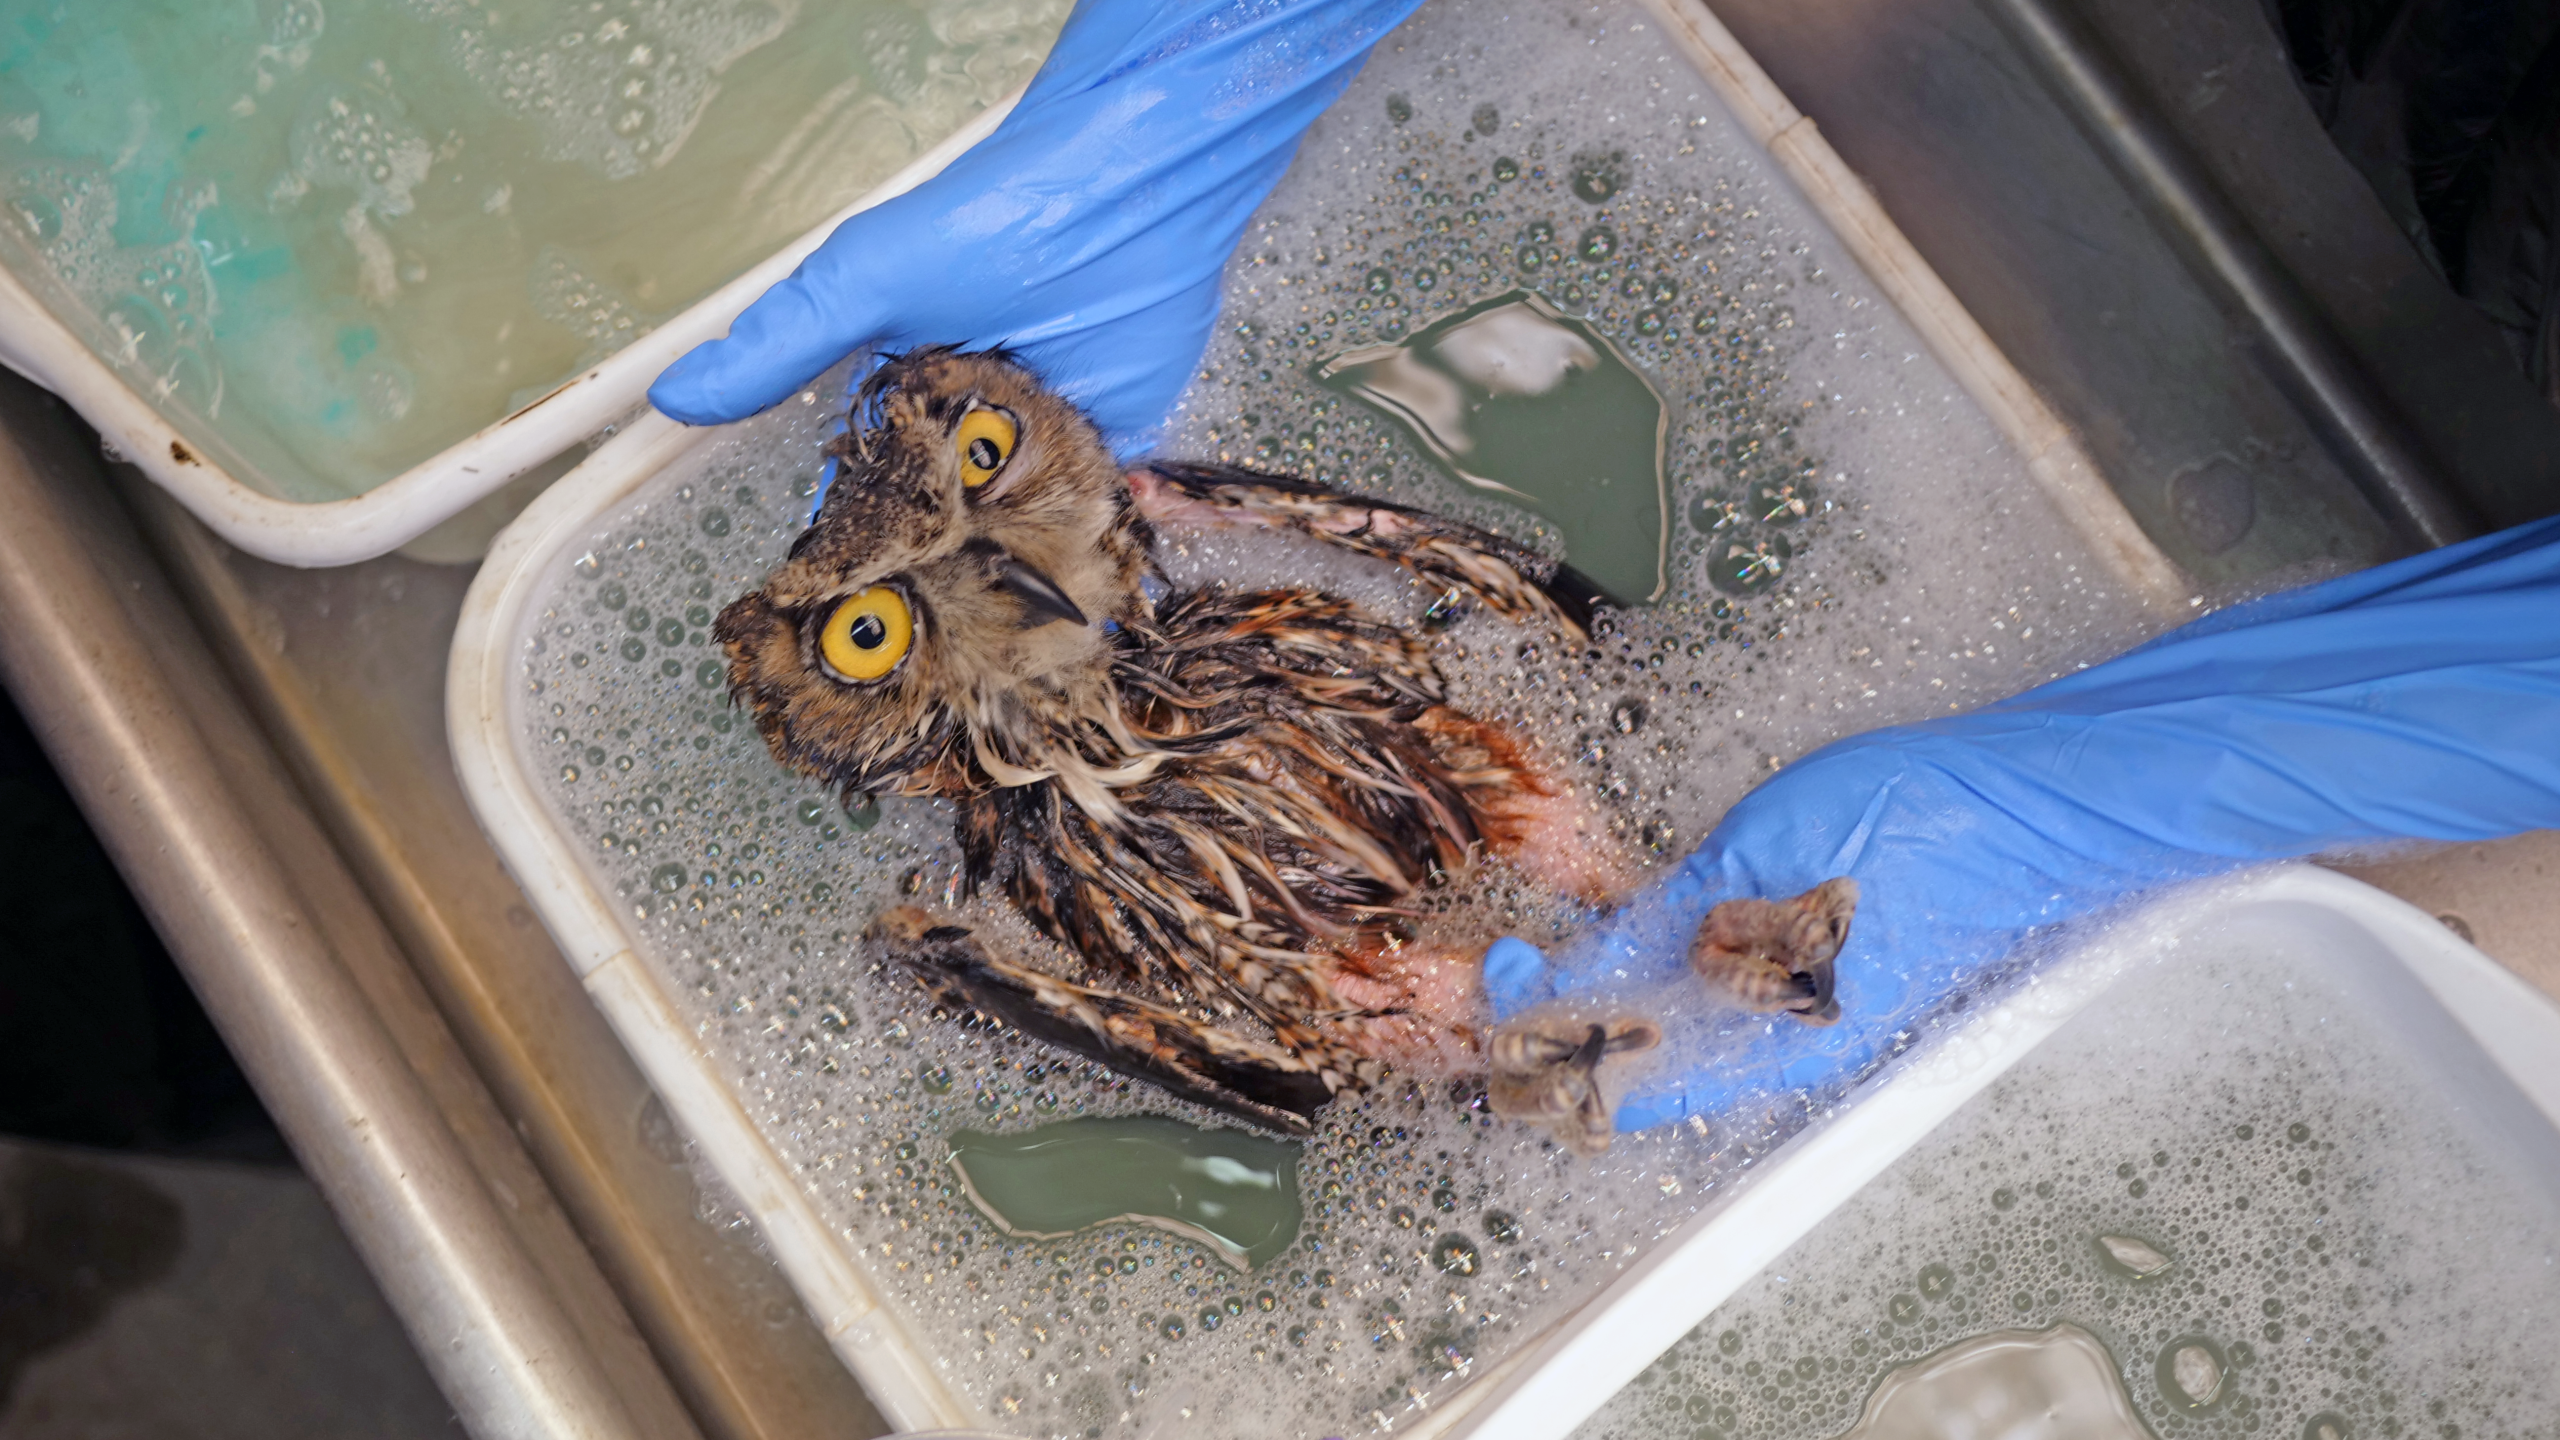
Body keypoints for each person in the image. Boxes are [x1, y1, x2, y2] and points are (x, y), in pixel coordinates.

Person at [652, 0, 2560, 1136]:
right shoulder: (1087, 738)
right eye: (882, 623)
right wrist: (1218, 52)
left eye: (980, 469)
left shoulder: (1240, 620)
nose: (993, 570)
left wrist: (1563, 841)